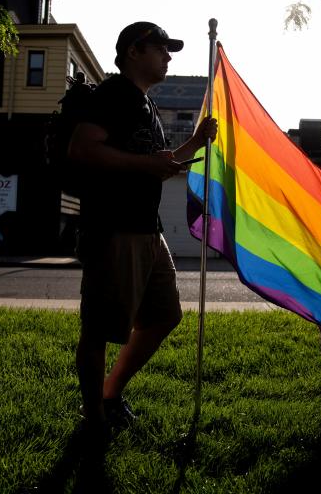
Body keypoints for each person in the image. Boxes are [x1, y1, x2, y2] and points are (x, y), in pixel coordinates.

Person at [69, 21, 218, 434]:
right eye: (161, 49)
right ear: (134, 51)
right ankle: (95, 419)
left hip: (147, 231)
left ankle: (110, 393)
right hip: (113, 228)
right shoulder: (114, 95)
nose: (168, 57)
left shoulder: (145, 104)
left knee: (164, 316)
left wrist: (196, 142)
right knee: (99, 329)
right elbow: (82, 149)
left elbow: (159, 160)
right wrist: (148, 165)